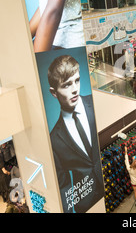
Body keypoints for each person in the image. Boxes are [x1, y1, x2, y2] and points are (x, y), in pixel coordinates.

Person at [47, 54, 104, 213]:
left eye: (77, 81)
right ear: (54, 92)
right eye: (66, 85)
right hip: (85, 201)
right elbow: (63, 184)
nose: (74, 90)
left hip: (109, 181)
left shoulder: (94, 102)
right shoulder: (54, 140)